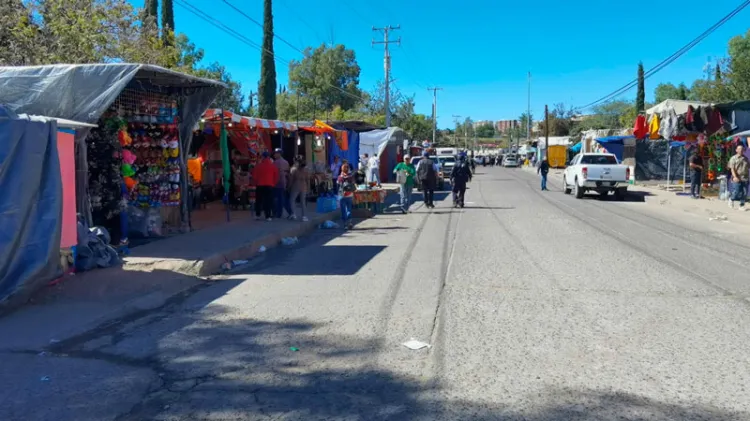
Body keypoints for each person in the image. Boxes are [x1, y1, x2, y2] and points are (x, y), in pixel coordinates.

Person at [252, 152, 278, 221]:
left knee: (259, 201)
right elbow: (276, 177)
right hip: (270, 186)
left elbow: (254, 177)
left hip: (260, 185)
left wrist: (256, 183)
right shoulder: (273, 166)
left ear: (263, 157)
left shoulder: (258, 166)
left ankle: (258, 215)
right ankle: (268, 216)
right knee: (268, 201)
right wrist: (273, 184)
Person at [272, 148, 293, 219]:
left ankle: (279, 213)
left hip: (277, 183)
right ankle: (289, 212)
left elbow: (274, 174)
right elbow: (288, 174)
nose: (274, 155)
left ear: (279, 154)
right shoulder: (286, 162)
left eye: (275, 153)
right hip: (284, 183)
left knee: (278, 199)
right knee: (282, 198)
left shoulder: (276, 162)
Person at [289, 157, 311, 221]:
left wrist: (289, 187)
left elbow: (291, 180)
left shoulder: (294, 169)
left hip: (296, 184)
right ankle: (304, 216)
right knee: (303, 201)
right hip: (304, 185)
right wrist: (308, 188)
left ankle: (293, 214)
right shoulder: (306, 170)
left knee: (292, 200)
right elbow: (307, 179)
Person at [728, 144, 749, 211]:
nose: (741, 150)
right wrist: (735, 177)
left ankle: (741, 205)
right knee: (736, 191)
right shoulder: (733, 158)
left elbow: (748, 166)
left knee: (745, 192)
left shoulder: (746, 158)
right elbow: (732, 169)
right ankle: (731, 199)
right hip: (737, 177)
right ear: (736, 150)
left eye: (742, 149)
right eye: (739, 149)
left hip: (745, 177)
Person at [338, 163, 356, 229]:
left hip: (342, 196)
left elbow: (338, 185)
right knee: (349, 209)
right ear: (348, 169)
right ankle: (350, 222)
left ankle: (345, 224)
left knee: (343, 210)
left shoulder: (340, 177)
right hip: (349, 195)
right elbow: (353, 184)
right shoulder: (350, 177)